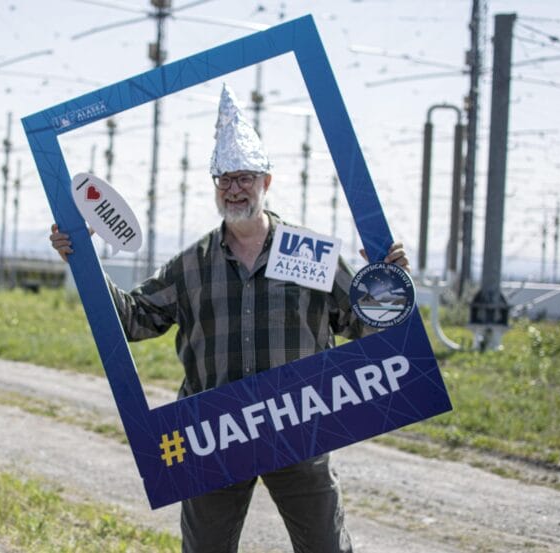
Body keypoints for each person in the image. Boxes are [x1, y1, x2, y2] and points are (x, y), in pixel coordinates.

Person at [50, 83, 409, 553]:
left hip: (300, 430)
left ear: (266, 182)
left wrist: (387, 283)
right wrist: (84, 262)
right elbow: (136, 320)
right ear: (215, 185)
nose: (235, 188)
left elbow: (365, 327)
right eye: (225, 178)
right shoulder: (191, 264)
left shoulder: (314, 255)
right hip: (213, 435)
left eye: (245, 177)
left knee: (326, 547)